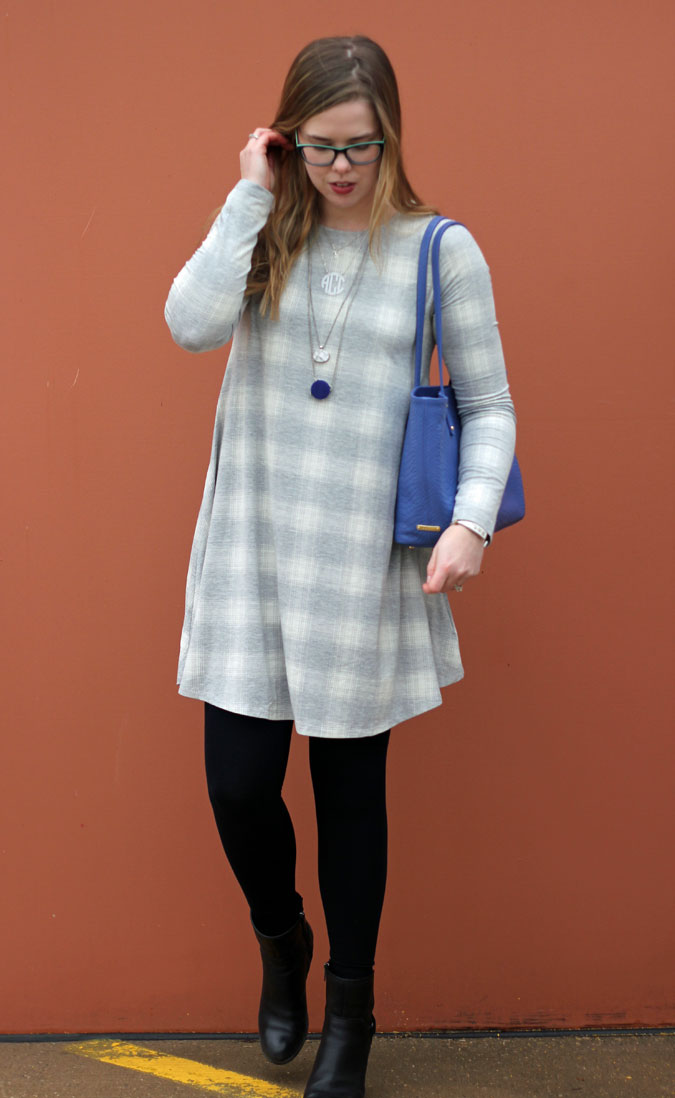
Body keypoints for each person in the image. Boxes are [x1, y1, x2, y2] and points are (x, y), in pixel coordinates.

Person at [164, 34, 516, 1098]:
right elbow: (187, 325)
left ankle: (349, 1020)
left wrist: (470, 523)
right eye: (319, 146)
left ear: (390, 137)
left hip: (361, 568)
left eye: (361, 145)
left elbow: (490, 403)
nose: (342, 166)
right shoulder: (264, 230)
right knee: (238, 787)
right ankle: (283, 939)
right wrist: (250, 193)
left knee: (350, 796)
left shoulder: (439, 251)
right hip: (255, 557)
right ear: (286, 140)